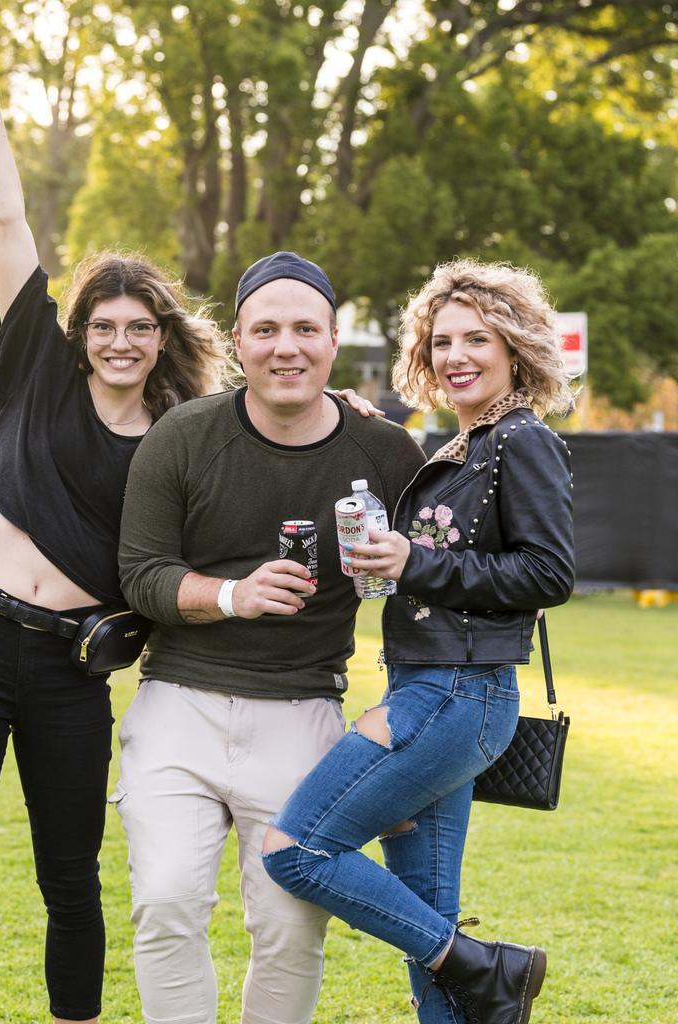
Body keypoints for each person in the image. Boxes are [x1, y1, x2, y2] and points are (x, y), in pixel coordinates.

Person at [0, 3, 230, 1022]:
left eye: (142, 326)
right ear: (81, 330)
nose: (123, 339)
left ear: (160, 337)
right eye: (107, 322)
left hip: (69, 667)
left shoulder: (181, 432)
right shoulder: (37, 370)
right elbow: (8, 219)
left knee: (70, 880)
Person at [115, 249, 427, 1024]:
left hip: (303, 711)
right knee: (165, 903)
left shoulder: (387, 452)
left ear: (331, 340)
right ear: (240, 342)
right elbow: (141, 573)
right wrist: (232, 595)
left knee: (290, 925)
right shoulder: (184, 437)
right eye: (265, 329)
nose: (285, 346)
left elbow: (425, 602)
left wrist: (403, 743)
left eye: (304, 329)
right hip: (178, 702)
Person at [262, 258, 576, 1024]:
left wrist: (417, 561)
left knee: (295, 851)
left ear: (516, 349)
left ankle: (486, 967)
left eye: (478, 339)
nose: (456, 356)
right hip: (426, 688)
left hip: (458, 694)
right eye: (441, 341)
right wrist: (359, 419)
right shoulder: (463, 444)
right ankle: (473, 975)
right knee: (428, 910)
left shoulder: (519, 440)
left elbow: (548, 572)